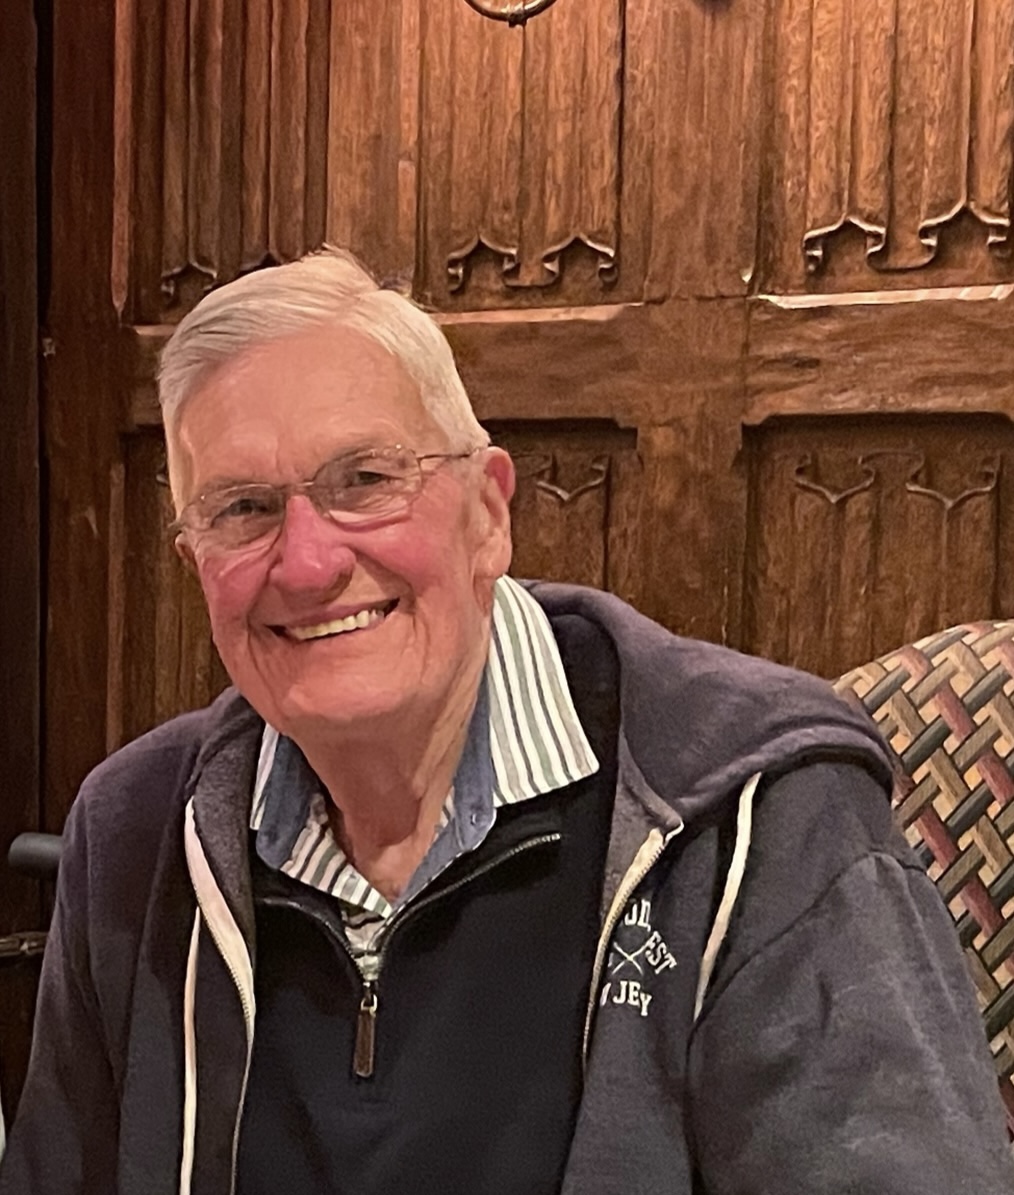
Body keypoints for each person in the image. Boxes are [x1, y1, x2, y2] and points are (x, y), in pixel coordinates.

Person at [2, 248, 1011, 1195]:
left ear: (488, 513)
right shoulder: (134, 834)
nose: (306, 562)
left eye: (365, 480)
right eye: (242, 509)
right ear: (195, 567)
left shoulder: (760, 813)